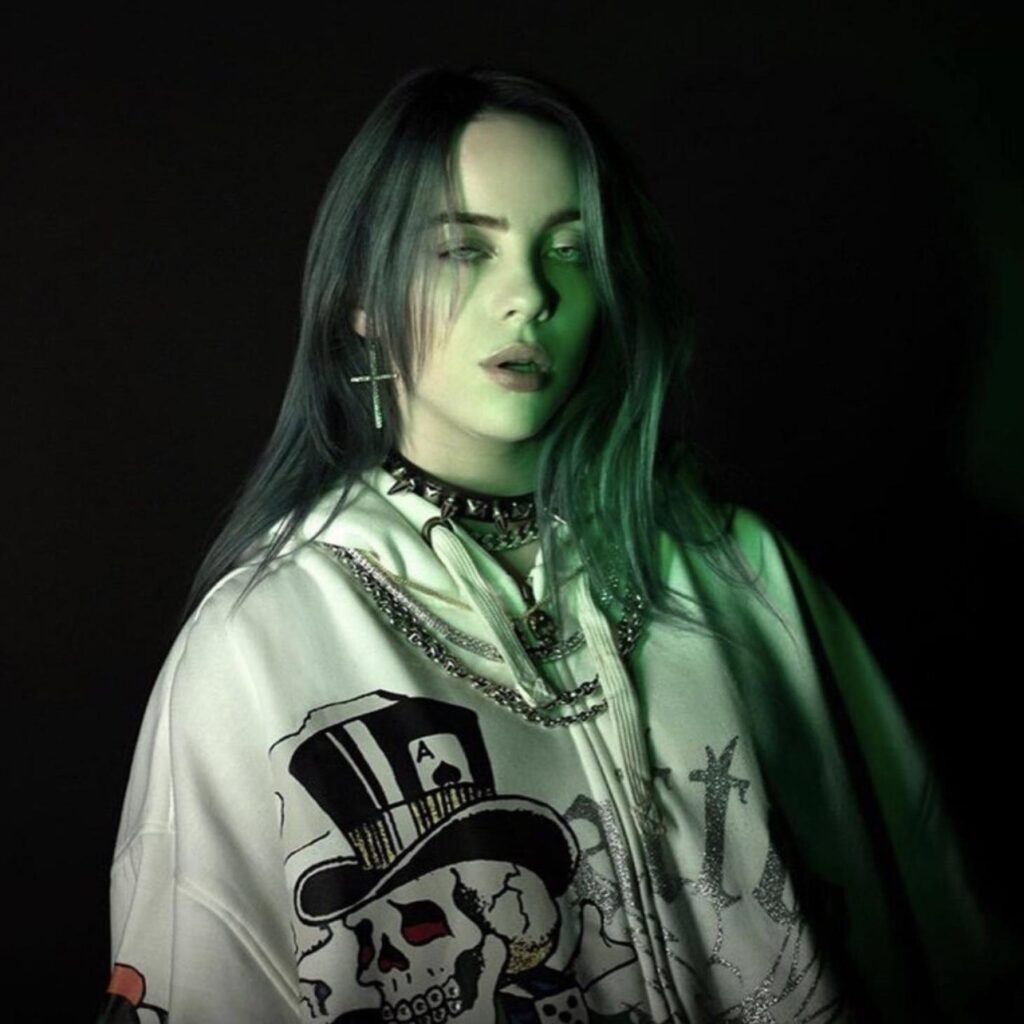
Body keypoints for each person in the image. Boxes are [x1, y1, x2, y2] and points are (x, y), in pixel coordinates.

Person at [97, 65, 993, 1024]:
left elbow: (936, 928)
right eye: (462, 250)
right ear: (359, 296)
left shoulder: (742, 572)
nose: (529, 293)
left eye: (571, 249)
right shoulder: (258, 644)